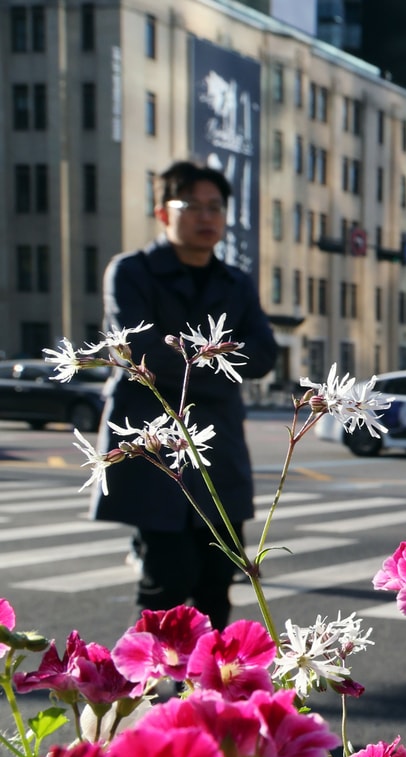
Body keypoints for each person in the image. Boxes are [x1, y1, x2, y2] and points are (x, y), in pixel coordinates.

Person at [93, 160, 278, 629]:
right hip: (153, 439)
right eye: (191, 205)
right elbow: (141, 351)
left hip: (218, 447)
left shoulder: (235, 281)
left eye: (215, 206)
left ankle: (215, 697)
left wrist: (189, 363)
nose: (206, 216)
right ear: (162, 213)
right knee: (165, 583)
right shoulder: (132, 271)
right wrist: (216, 361)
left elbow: (264, 353)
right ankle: (155, 692)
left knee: (221, 578)